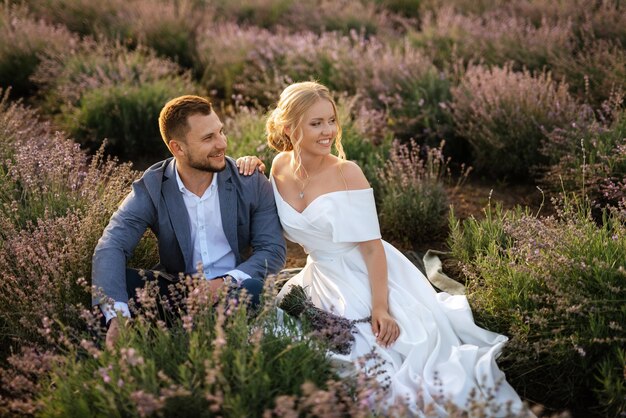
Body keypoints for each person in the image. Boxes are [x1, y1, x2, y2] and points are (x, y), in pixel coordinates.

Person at [265, 81, 533, 416]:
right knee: (293, 344)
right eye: (316, 123)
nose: (328, 131)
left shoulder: (347, 173)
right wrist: (245, 164)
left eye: (331, 121)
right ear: (290, 128)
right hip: (317, 276)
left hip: (365, 271)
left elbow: (373, 250)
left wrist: (381, 308)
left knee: (373, 356)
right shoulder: (277, 167)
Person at [92, 95, 286, 350]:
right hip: (178, 292)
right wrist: (117, 317)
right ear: (178, 148)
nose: (222, 144)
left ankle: (185, 344)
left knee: (250, 289)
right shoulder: (153, 187)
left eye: (221, 132)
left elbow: (272, 251)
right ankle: (118, 353)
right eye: (208, 138)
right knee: (115, 287)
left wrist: (222, 284)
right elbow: (111, 245)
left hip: (234, 290)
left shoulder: (250, 182)